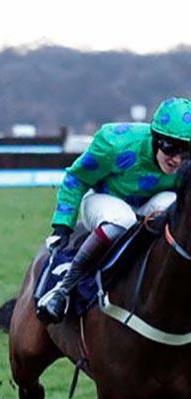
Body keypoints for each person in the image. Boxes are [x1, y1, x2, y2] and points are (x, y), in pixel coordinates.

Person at [37, 97, 191, 323]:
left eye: (186, 151)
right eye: (171, 148)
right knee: (123, 219)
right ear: (156, 138)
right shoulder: (114, 143)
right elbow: (76, 178)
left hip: (150, 203)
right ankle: (63, 289)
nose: (177, 160)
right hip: (104, 199)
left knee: (170, 210)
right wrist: (62, 226)